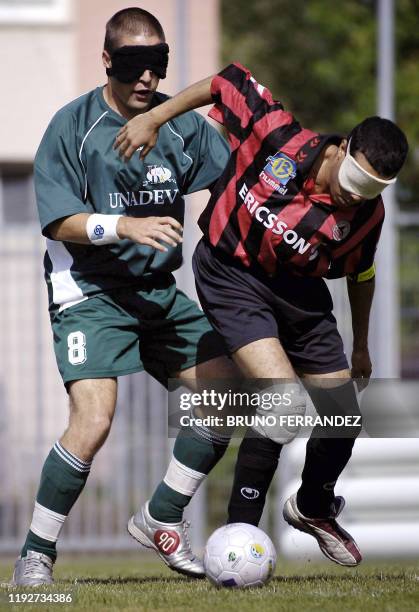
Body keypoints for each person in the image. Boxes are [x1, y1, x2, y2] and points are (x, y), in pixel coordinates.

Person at [114, 61, 408, 567]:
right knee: (284, 405)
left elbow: (361, 275)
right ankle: (238, 537)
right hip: (232, 274)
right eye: (356, 177)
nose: (355, 195)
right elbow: (224, 80)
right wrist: (155, 117)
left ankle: (313, 506)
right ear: (340, 149)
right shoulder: (280, 136)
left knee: (343, 417)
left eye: (374, 188)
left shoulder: (365, 216)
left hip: (299, 292)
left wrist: (360, 344)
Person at [11, 8, 239, 587]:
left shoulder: (182, 128)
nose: (147, 78)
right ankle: (36, 555)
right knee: (94, 418)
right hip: (88, 288)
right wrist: (124, 225)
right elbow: (58, 221)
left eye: (157, 64)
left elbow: (232, 180)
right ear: (108, 61)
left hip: (156, 290)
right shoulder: (74, 127)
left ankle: (160, 516)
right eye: (134, 64)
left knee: (224, 397)